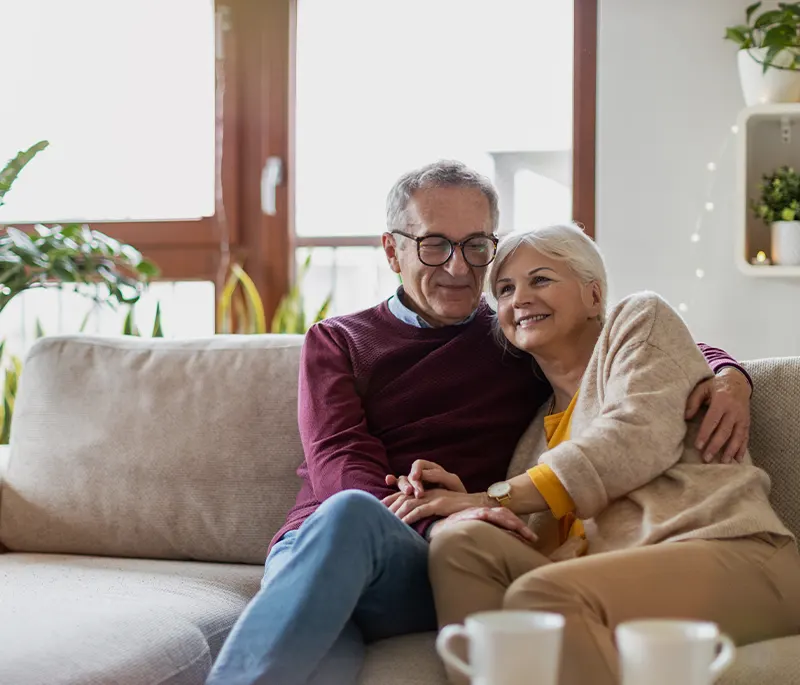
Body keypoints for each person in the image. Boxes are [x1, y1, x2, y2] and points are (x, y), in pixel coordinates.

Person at [207, 162, 755, 685]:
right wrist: (435, 520)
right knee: (344, 546)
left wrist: (730, 375)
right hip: (335, 539)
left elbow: (631, 343)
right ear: (392, 251)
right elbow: (338, 461)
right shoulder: (338, 340)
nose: (458, 266)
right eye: (434, 244)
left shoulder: (516, 335)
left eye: (475, 245)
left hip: (440, 561)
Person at [391, 223, 800, 685]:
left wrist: (493, 498)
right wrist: (473, 508)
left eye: (541, 279)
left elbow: (633, 437)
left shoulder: (639, 323)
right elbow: (540, 535)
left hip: (735, 556)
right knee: (460, 542)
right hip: (612, 581)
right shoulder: (532, 438)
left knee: (543, 596)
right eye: (505, 289)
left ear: (592, 296)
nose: (519, 297)